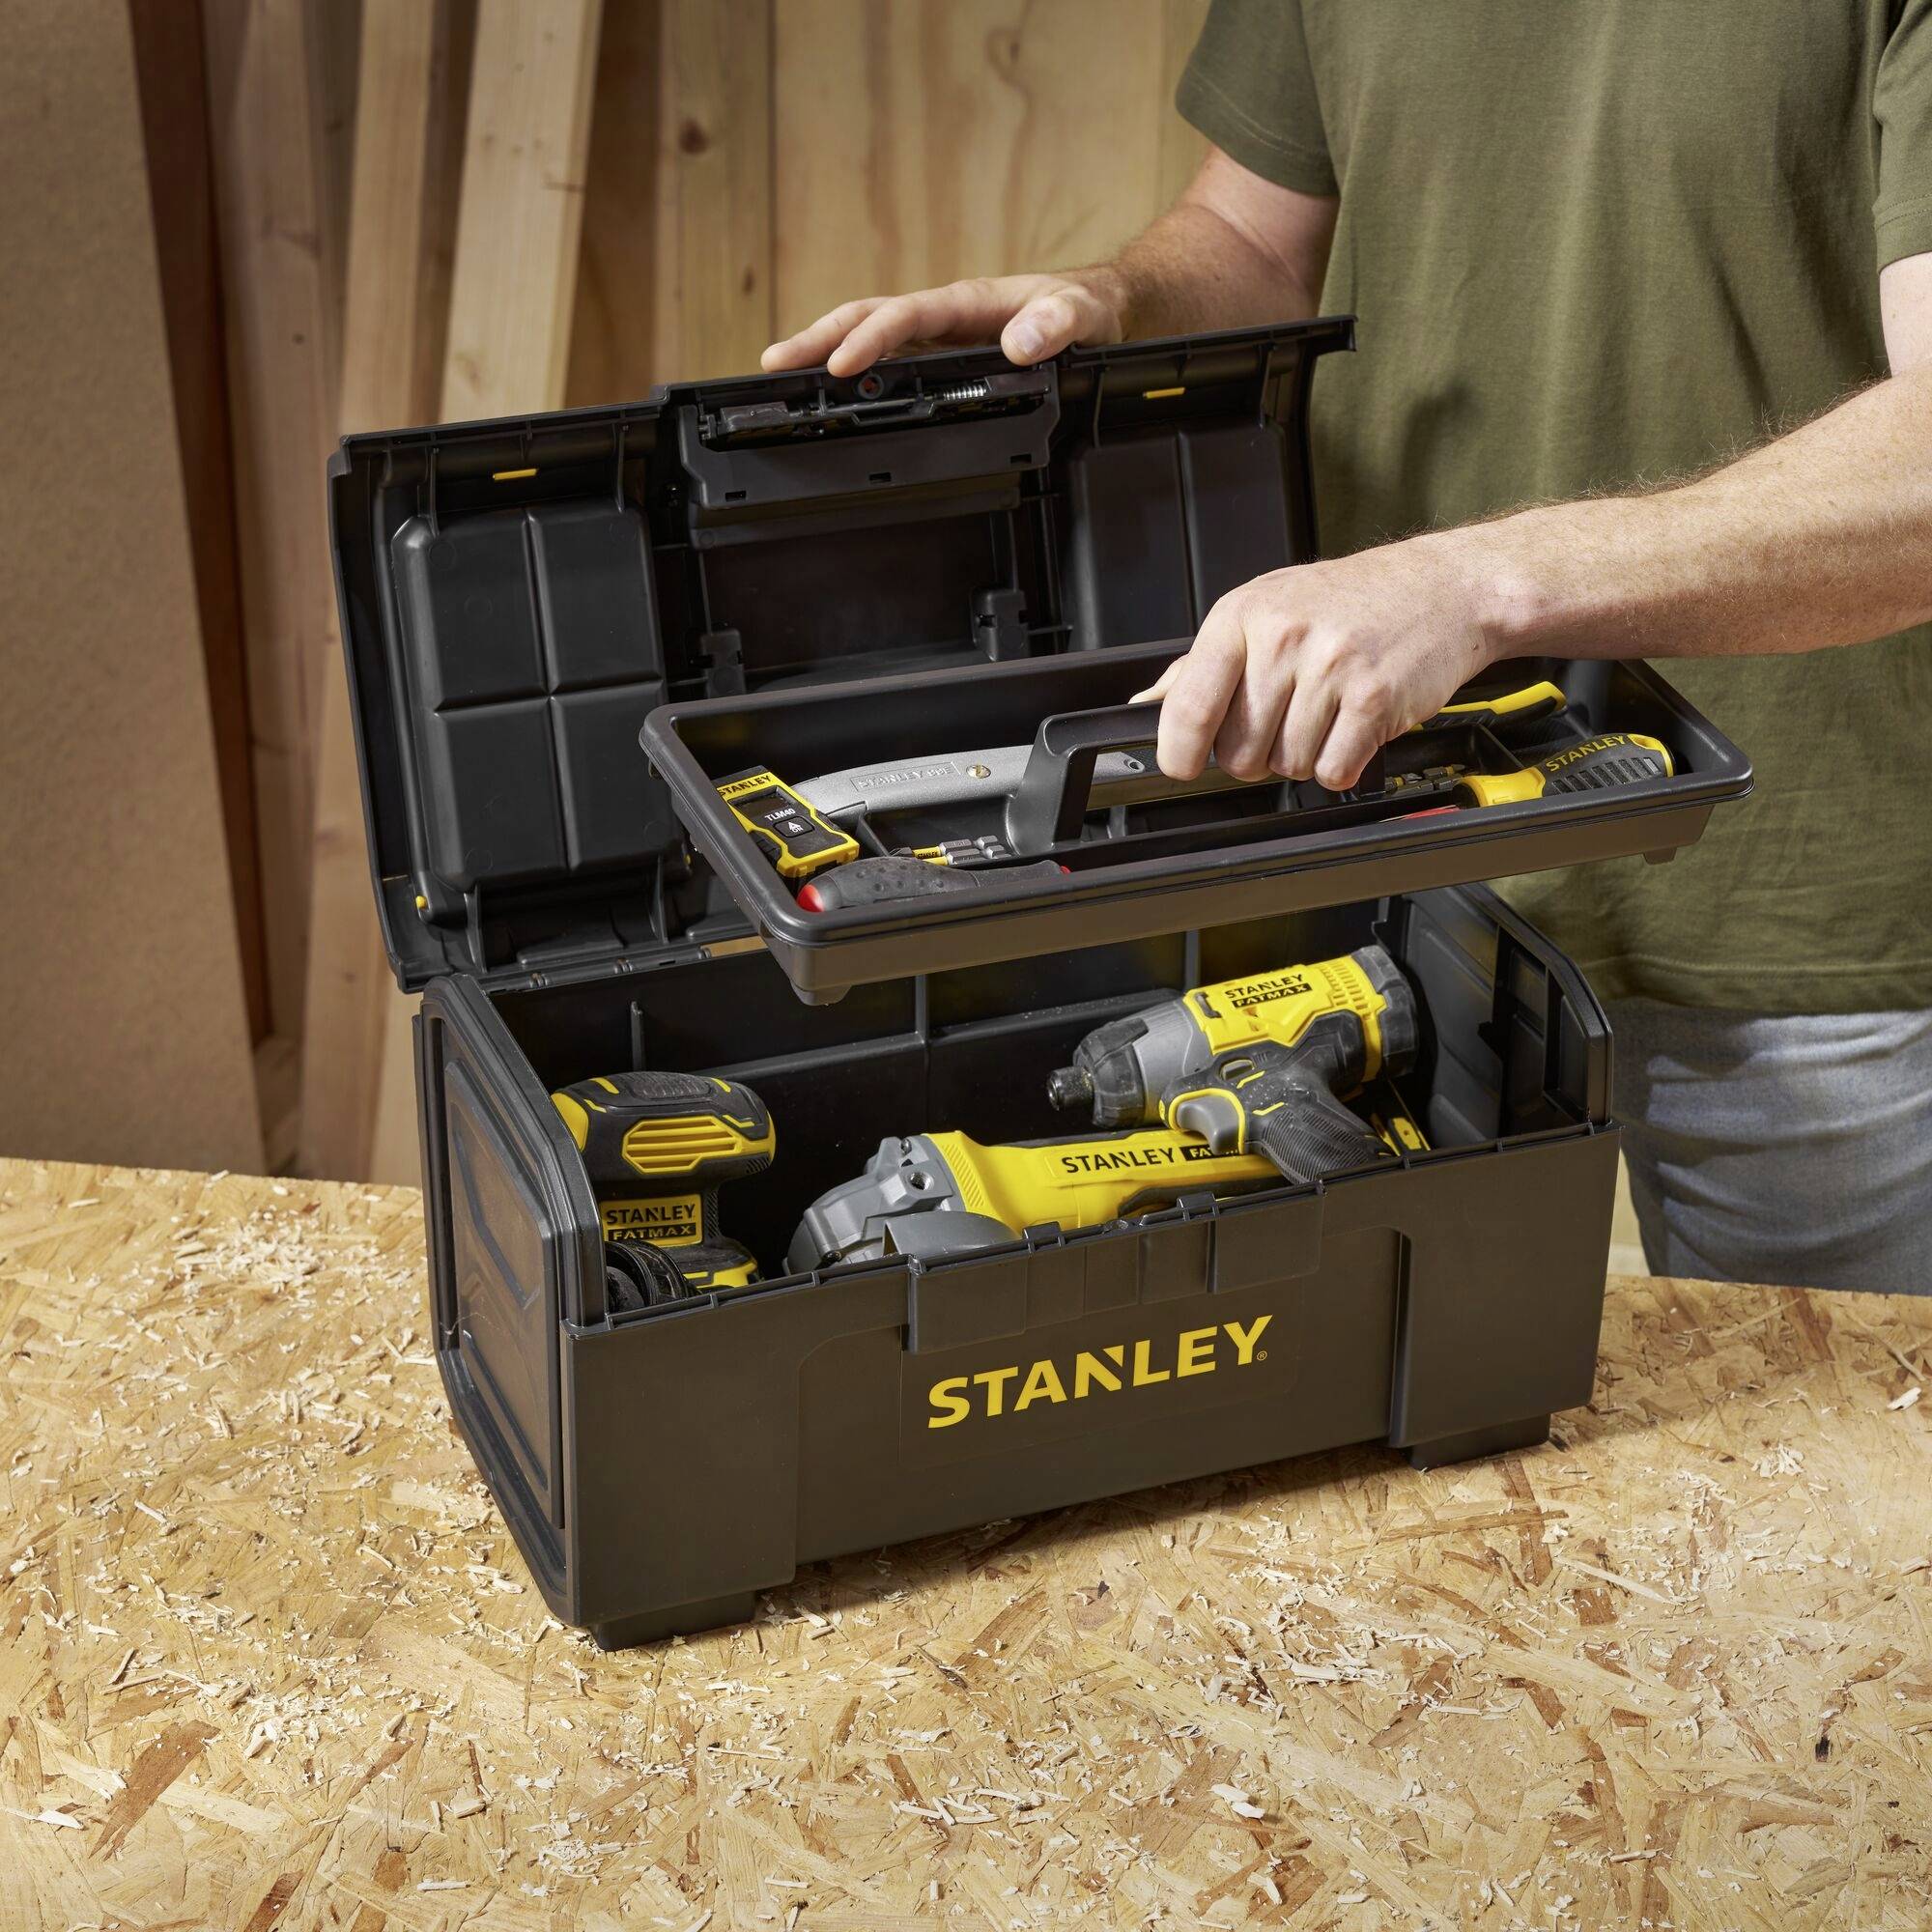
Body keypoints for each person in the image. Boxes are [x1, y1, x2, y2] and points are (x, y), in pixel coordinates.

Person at [762, 4, 1932, 1294]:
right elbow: (1254, 240)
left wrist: (1466, 582)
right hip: (1405, 858)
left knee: (1844, 1452)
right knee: (1441, 1466)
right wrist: (1119, 302)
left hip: (1806, 911)